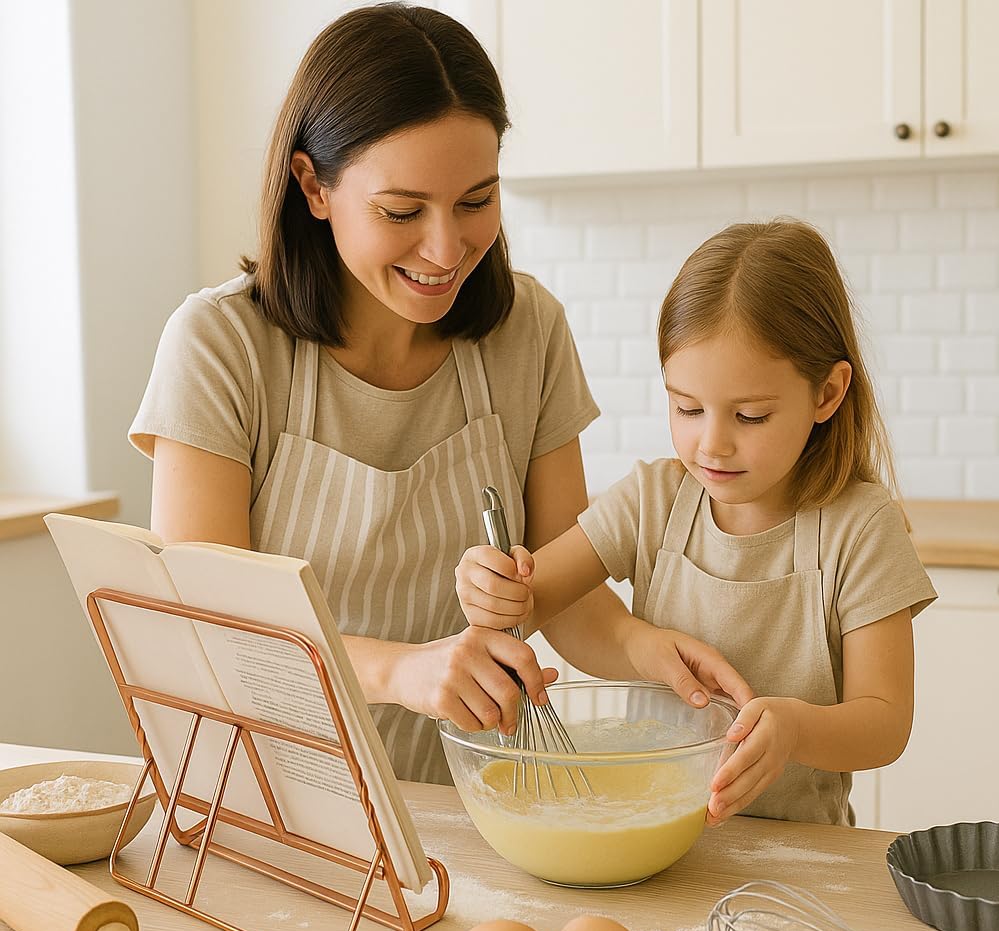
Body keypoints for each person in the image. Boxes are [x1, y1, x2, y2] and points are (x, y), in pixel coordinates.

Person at [130, 4, 751, 786]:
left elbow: (560, 594)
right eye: (402, 211)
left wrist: (641, 647)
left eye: (475, 201)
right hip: (264, 802)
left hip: (465, 809)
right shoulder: (221, 346)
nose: (445, 248)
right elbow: (205, 624)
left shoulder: (526, 331)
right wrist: (403, 674)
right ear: (313, 186)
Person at [456, 219, 937, 826]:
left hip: (806, 858)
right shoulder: (654, 500)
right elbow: (535, 594)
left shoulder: (860, 529)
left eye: (751, 416)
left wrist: (794, 728)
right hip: (658, 834)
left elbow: (885, 722)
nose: (712, 444)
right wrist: (492, 585)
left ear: (827, 394)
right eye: (686, 408)